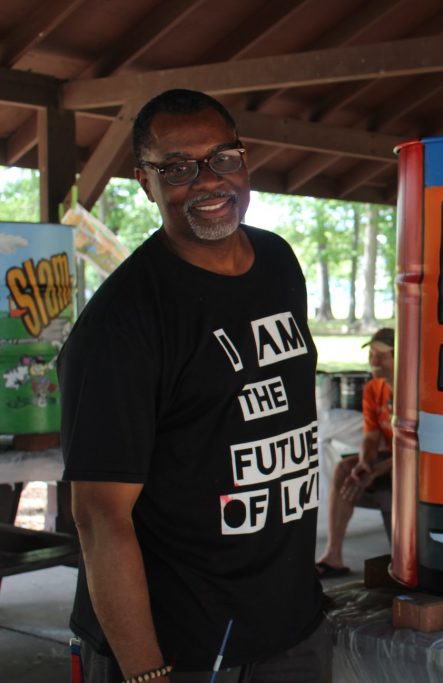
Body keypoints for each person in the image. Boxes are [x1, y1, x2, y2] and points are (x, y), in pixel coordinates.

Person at [58, 89, 331, 682]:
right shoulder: (121, 325)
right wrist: (145, 673)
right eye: (177, 168)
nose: (208, 180)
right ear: (144, 182)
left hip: (292, 632)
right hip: (176, 652)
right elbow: (100, 518)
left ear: (244, 159)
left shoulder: (278, 262)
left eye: (222, 158)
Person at [316, 327, 395, 577]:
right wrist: (364, 463)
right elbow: (371, 436)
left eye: (382, 356)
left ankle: (403, 558)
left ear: (399, 357)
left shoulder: (414, 390)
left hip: (417, 462)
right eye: (371, 354)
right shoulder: (373, 389)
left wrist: (376, 470)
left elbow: (415, 448)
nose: (374, 361)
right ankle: (333, 556)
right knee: (344, 469)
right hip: (392, 458)